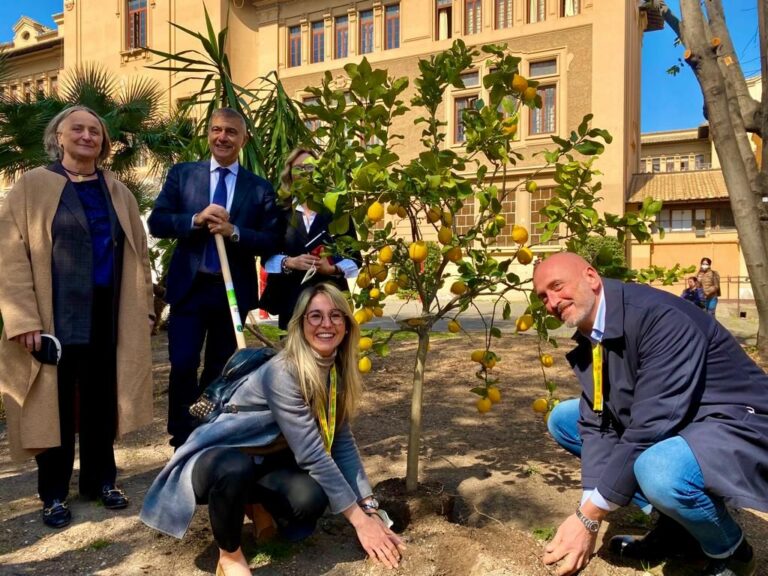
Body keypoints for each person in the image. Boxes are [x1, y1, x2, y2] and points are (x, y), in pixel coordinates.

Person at [140, 283, 406, 575]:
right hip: (216, 460)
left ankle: (255, 505)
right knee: (234, 468)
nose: (326, 324)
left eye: (335, 315)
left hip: (263, 460)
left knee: (310, 499)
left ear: (346, 324)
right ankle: (229, 555)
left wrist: (369, 506)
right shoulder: (284, 373)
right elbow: (312, 455)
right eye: (315, 316)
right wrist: (361, 523)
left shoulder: (335, 371)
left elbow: (340, 442)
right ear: (300, 324)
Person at [533, 252, 767, 576]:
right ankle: (678, 530)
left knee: (658, 469)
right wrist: (589, 507)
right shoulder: (595, 335)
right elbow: (597, 419)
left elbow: (649, 426)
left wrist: (588, 517)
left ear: (590, 277)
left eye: (557, 286)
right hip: (680, 416)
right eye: (543, 296)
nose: (552, 302)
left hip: (733, 419)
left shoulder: (658, 317)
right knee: (565, 419)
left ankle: (731, 551)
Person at [0, 106, 154, 529]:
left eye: (95, 131)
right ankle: (52, 492)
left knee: (103, 399)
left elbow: (139, 253)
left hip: (108, 311)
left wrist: (145, 307)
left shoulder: (116, 189)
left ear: (103, 143)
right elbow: (10, 255)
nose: (88, 136)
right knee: (55, 403)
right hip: (54, 315)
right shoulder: (33, 184)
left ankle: (100, 481)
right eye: (78, 129)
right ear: (60, 137)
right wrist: (24, 319)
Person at [147, 108, 282, 449]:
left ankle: (209, 432)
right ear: (208, 134)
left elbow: (270, 240)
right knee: (182, 364)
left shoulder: (258, 188)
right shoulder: (183, 175)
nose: (222, 137)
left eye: (231, 132)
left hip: (230, 292)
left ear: (243, 139)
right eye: (216, 130)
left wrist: (234, 232)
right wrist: (195, 219)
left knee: (221, 369)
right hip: (189, 289)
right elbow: (158, 222)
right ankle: (181, 437)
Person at [260, 148, 360, 329]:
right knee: (293, 355)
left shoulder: (336, 211)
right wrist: (290, 262)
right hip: (290, 300)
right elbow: (266, 259)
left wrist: (332, 268)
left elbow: (355, 258)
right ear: (289, 174)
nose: (305, 172)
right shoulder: (280, 212)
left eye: (310, 167)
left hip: (330, 300)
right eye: (299, 168)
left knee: (329, 352)